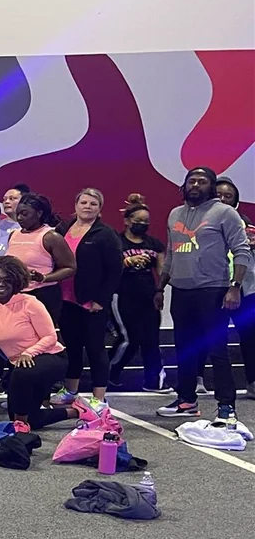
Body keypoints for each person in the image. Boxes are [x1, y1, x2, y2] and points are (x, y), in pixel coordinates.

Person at [157, 166, 250, 422]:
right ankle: (186, 400)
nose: (195, 185)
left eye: (202, 181)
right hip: (182, 291)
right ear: (184, 186)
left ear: (211, 186)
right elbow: (172, 253)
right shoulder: (175, 214)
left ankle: (226, 407)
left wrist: (234, 287)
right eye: (191, 181)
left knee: (216, 349)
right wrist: (160, 287)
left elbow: (242, 251)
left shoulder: (225, 213)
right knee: (185, 348)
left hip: (214, 290)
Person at [0, 256, 72, 429]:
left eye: (7, 280)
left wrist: (28, 353)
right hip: (20, 368)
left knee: (20, 374)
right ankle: (77, 411)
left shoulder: (30, 303)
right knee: (29, 418)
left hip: (50, 358)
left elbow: (50, 337)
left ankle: (20, 428)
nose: (0, 284)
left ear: (16, 282)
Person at [54, 188, 122, 407]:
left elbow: (114, 270)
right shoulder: (62, 229)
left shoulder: (105, 234)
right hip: (65, 299)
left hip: (92, 303)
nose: (87, 207)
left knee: (95, 348)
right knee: (71, 347)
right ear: (76, 205)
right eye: (84, 202)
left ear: (99, 209)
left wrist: (100, 300)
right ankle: (71, 392)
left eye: (93, 204)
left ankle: (99, 397)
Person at [108, 195, 167, 392]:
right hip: (122, 296)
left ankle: (153, 381)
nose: (141, 224)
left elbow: (162, 271)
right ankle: (110, 373)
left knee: (151, 338)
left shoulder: (154, 244)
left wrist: (160, 290)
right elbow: (107, 268)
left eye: (145, 222)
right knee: (129, 339)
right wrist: (124, 263)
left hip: (148, 296)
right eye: (137, 221)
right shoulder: (116, 242)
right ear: (127, 221)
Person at [5, 193, 75, 324]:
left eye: (25, 214)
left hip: (43, 295)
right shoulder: (13, 235)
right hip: (16, 295)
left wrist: (44, 278)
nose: (19, 218)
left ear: (39, 213)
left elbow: (70, 267)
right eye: (18, 214)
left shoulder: (50, 237)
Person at [214, 178, 255, 398]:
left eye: (227, 196)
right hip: (212, 287)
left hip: (244, 289)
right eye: (217, 195)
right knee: (209, 336)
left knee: (250, 336)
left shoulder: (245, 224)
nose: (221, 199)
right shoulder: (200, 223)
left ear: (236, 202)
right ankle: (198, 382)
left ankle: (253, 381)